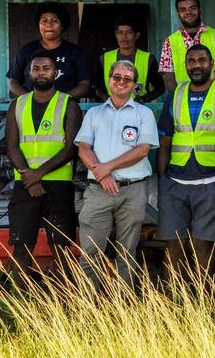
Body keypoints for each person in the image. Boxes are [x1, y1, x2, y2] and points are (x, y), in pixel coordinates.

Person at [75, 60, 160, 288]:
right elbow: (84, 147)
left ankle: (124, 304)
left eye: (127, 79)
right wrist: (102, 175)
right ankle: (88, 305)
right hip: (98, 190)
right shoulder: (94, 113)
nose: (121, 82)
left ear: (135, 85)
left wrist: (107, 168)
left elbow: (142, 150)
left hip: (133, 189)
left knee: (127, 251)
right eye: (117, 77)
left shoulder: (144, 114)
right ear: (110, 80)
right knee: (91, 250)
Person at [157, 44, 215, 285]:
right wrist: (163, 178)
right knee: (173, 243)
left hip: (211, 182)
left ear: (211, 64)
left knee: (206, 244)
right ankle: (177, 300)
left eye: (202, 60)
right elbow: (165, 139)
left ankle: (205, 297)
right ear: (186, 66)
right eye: (191, 61)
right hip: (175, 182)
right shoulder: (175, 95)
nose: (196, 65)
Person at [5, 50, 82, 282]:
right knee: (21, 245)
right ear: (29, 73)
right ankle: (20, 302)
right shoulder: (17, 105)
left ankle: (64, 300)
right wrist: (30, 178)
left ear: (55, 73)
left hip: (58, 185)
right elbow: (11, 146)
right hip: (25, 185)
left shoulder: (69, 104)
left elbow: (71, 148)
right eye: (36, 68)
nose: (40, 73)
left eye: (45, 68)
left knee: (60, 246)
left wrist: (37, 175)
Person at [7, 2, 91, 99]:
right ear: (39, 25)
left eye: (54, 21)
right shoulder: (26, 51)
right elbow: (13, 82)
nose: (48, 25)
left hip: (64, 108)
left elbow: (84, 85)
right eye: (44, 21)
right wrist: (31, 99)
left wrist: (61, 100)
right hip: (32, 108)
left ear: (62, 25)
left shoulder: (76, 52)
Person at [160, 0, 215, 91]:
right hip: (183, 100)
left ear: (200, 10)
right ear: (178, 14)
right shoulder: (170, 41)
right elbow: (169, 77)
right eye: (183, 10)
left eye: (192, 8)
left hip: (213, 97)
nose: (188, 12)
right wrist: (177, 98)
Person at [96, 15, 164, 103]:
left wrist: (143, 99)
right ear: (116, 35)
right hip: (111, 110)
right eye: (120, 33)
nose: (124, 37)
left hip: (139, 111)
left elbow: (160, 87)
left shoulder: (148, 59)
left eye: (129, 32)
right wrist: (107, 100)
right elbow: (97, 87)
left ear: (137, 35)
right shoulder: (104, 58)